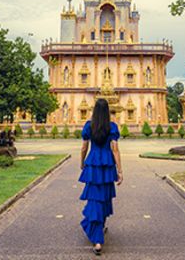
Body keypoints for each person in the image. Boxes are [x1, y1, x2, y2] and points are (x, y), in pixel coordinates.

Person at [79, 98, 123, 255]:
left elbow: (84, 147)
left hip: (93, 163)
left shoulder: (88, 126)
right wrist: (120, 170)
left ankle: (97, 233)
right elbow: (115, 150)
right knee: (103, 198)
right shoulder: (112, 127)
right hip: (107, 164)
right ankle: (98, 238)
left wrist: (82, 162)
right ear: (107, 112)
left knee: (96, 198)